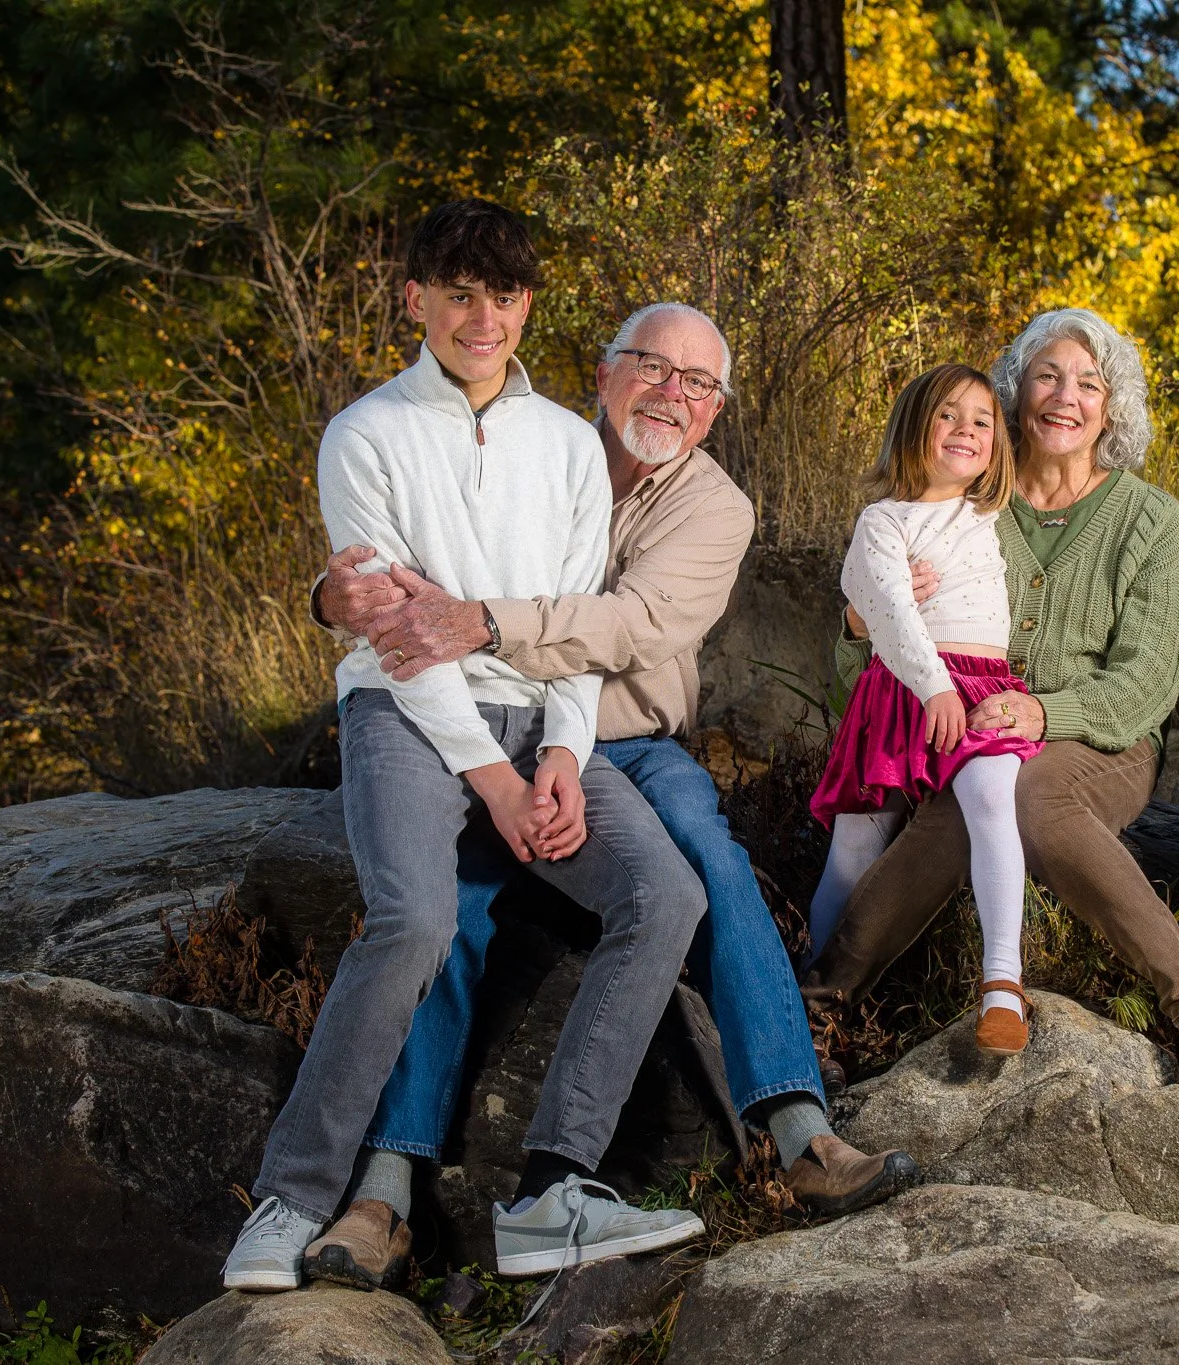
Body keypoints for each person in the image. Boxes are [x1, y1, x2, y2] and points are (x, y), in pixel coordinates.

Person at [311, 301, 920, 1276]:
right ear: (603, 374)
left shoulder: (715, 507)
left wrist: (482, 622)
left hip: (631, 746)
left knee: (705, 854)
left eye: (697, 385)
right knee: (452, 907)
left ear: (716, 410)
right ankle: (383, 1192)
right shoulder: (528, 452)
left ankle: (800, 1130)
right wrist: (356, 603)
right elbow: (400, 574)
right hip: (499, 732)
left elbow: (629, 626)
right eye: (650, 368)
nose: (670, 395)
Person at [222, 202, 707, 1294]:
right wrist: (489, 777)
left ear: (526, 302)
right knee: (416, 922)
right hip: (402, 714)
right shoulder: (365, 433)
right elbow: (394, 632)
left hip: (539, 715)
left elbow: (577, 618)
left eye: (501, 295)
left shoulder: (569, 447)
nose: (480, 318)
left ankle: (552, 1189)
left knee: (662, 895)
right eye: (456, 294)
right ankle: (291, 1195)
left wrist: (563, 754)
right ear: (416, 300)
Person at [802, 308, 1179, 1086]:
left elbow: (1147, 684)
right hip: (972, 731)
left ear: (1112, 407)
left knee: (1029, 792)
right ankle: (823, 1002)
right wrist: (859, 622)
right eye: (1046, 375)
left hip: (1099, 742)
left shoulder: (1149, 519)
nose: (1065, 395)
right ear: (1015, 394)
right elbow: (872, 661)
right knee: (969, 799)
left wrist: (1045, 713)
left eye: (1088, 382)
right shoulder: (965, 507)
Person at [810, 364, 1040, 1056]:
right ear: (914, 426)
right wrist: (929, 678)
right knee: (854, 846)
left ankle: (1003, 981)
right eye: (948, 415)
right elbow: (879, 606)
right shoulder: (883, 520)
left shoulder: (996, 517)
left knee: (992, 794)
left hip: (982, 689)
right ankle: (811, 985)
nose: (966, 430)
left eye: (982, 420)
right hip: (906, 687)